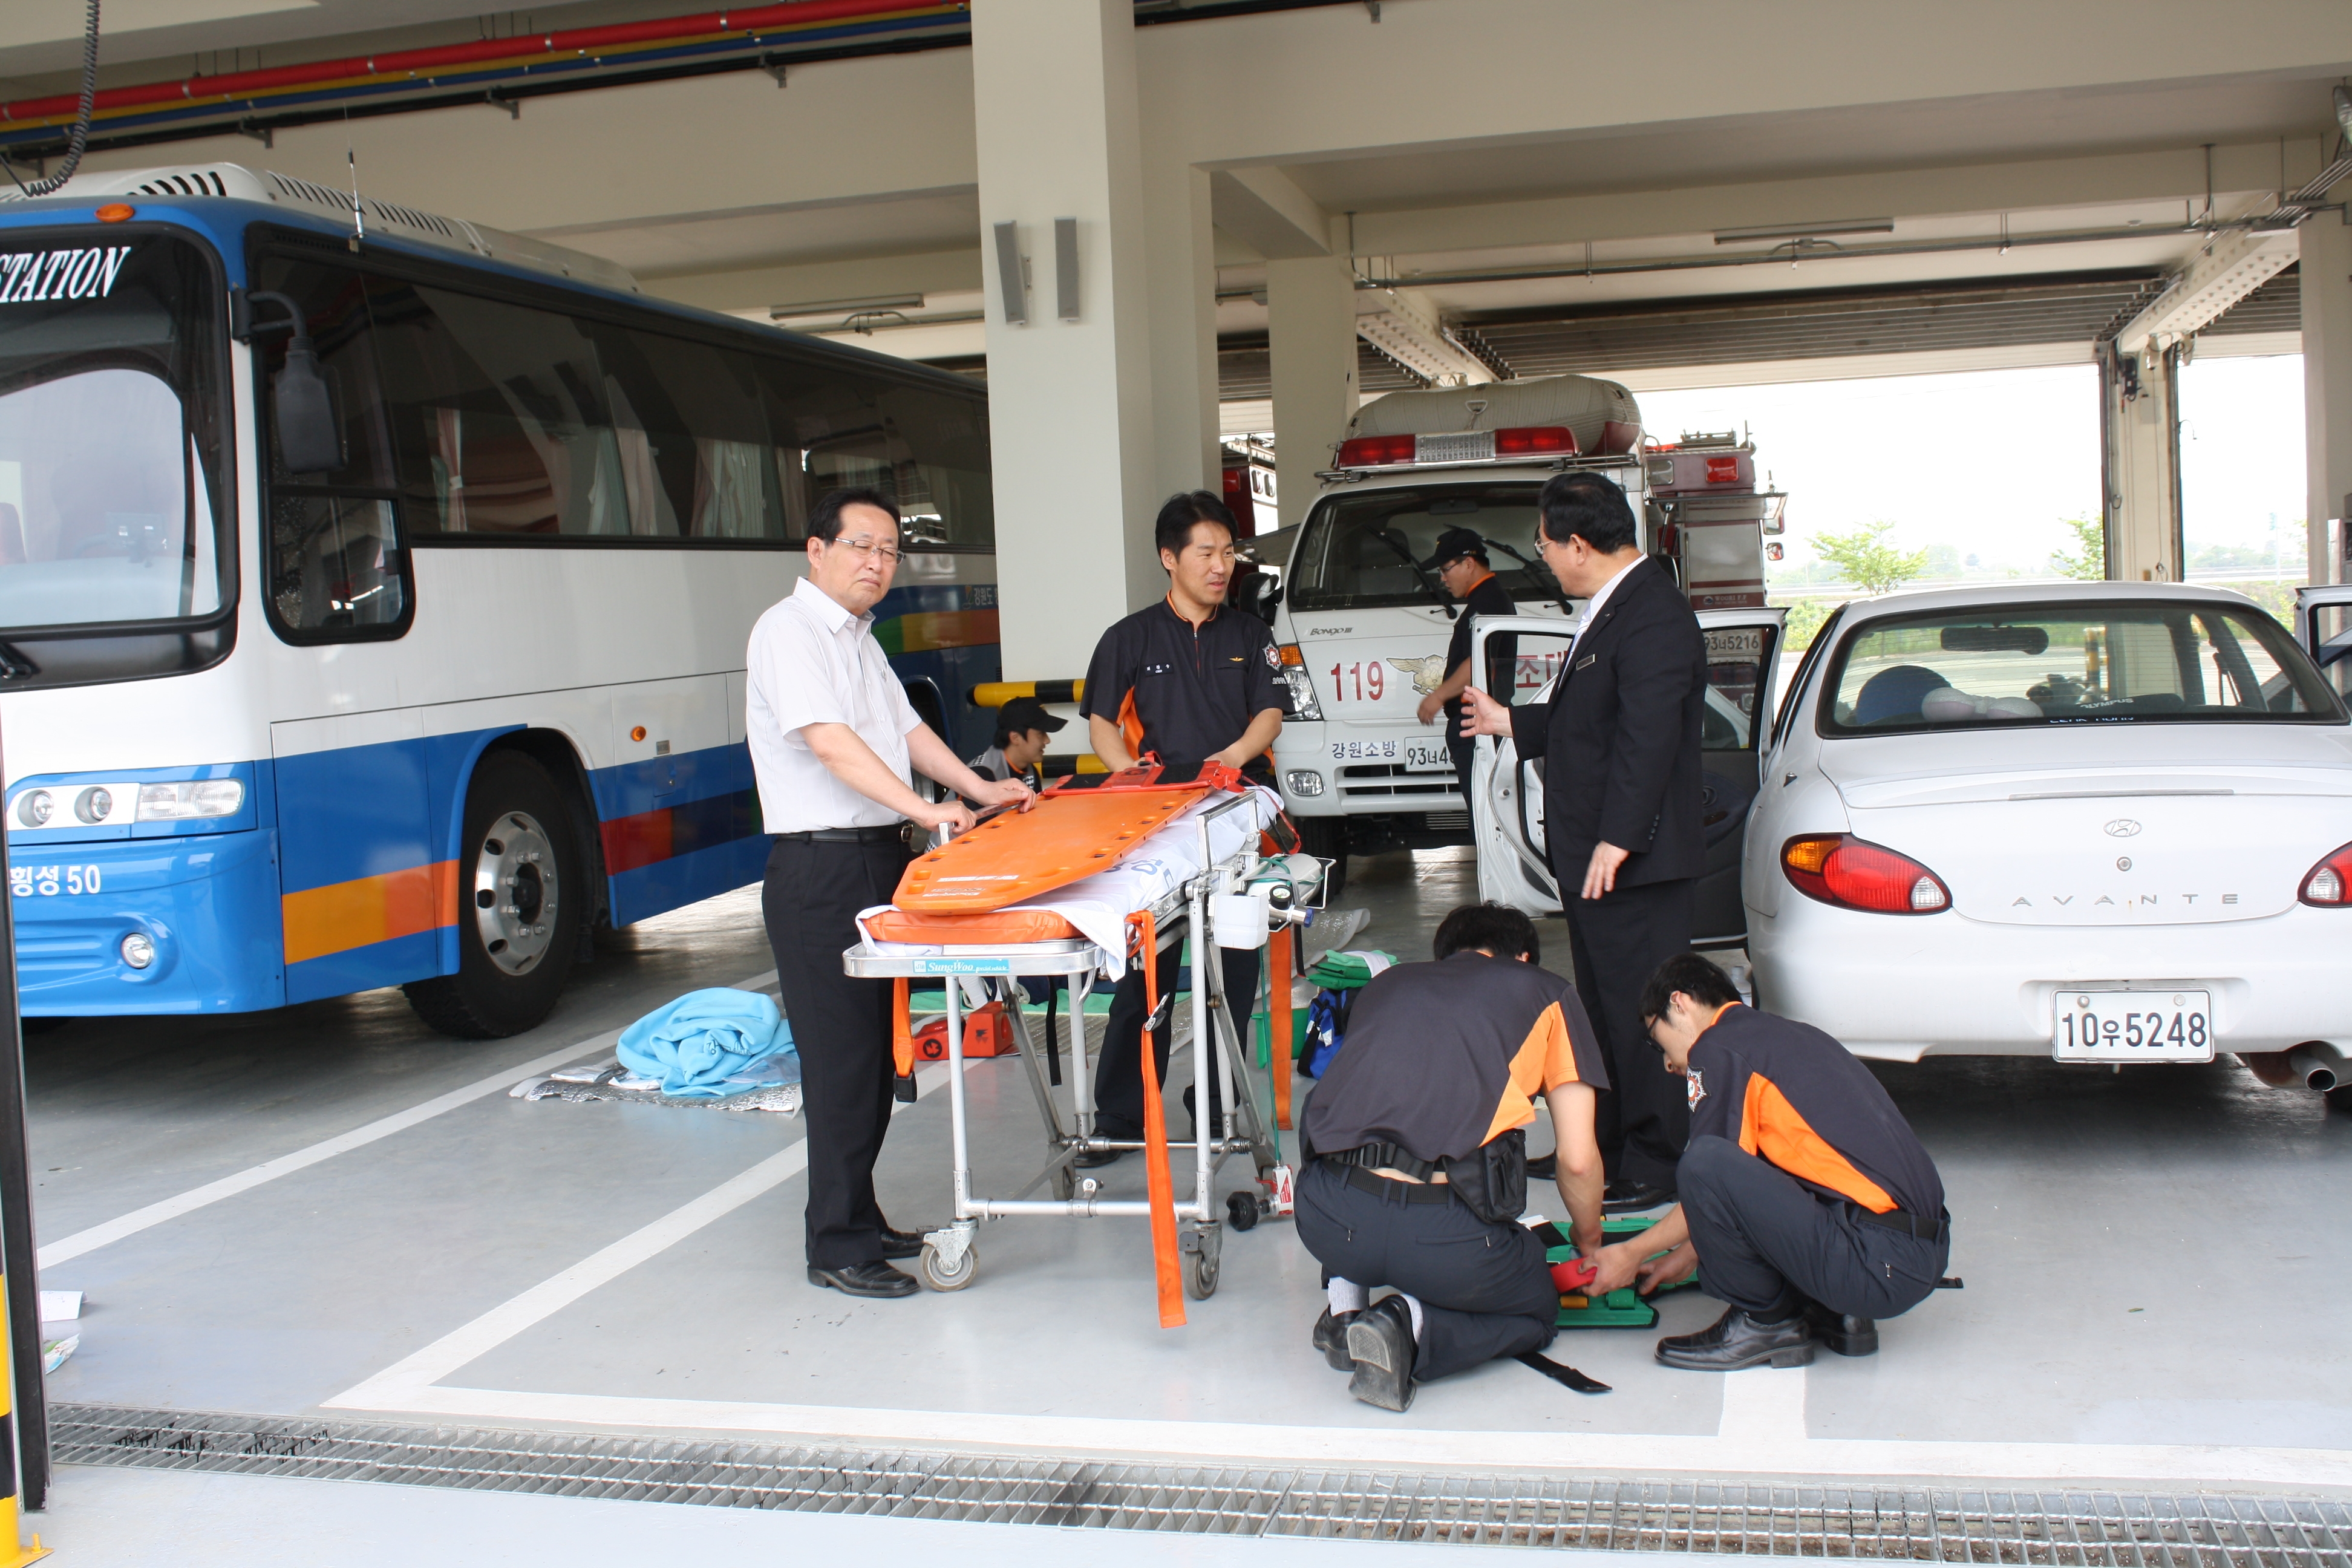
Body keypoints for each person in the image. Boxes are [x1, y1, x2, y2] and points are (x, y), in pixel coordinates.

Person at [746, 486, 1036, 1299]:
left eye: (889, 551)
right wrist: (922, 808)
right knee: (840, 1064)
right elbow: (830, 744)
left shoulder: (861, 640)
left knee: (876, 1061)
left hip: (877, 865)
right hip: (818, 872)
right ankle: (834, 1244)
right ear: (817, 551)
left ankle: (860, 1216)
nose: (877, 563)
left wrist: (978, 790)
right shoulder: (788, 631)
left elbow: (907, 732)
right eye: (861, 546)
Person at [1459, 471, 1707, 1214]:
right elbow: (1589, 716)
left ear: (1577, 544)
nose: (1542, 556)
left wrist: (1618, 838)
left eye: (1544, 543)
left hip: (1632, 863)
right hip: (1597, 860)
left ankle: (1657, 1159)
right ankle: (1602, 1144)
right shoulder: (1613, 607)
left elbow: (1646, 738)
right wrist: (1510, 721)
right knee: (1602, 1011)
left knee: (1649, 1014)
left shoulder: (1652, 614)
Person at [1295, 902, 1607, 1411]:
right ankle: (1406, 1325)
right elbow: (1577, 1160)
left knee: (1358, 1137)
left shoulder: (1386, 986)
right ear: (1522, 959)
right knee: (1536, 1308)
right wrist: (1590, 1243)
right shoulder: (1547, 993)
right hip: (1445, 1241)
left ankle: (1344, 1311)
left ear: (1445, 956)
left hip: (1325, 1217)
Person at [1581, 953, 1950, 1370]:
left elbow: (1714, 1176)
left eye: (1655, 1039)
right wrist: (1689, 1253)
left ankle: (1766, 1323)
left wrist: (1630, 1254)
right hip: (1916, 1254)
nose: (1667, 1061)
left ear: (1679, 1003)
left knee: (1703, 1161)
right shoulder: (1792, 1037)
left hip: (1872, 1265)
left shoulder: (1718, 1048)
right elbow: (1763, 1183)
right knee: (1768, 1160)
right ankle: (1839, 1314)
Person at [1075, 491, 1285, 1166]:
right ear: (1169, 558)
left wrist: (1233, 758)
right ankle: (1121, 1116)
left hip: (1234, 816)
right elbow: (1102, 722)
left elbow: (1271, 713)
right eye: (1206, 553)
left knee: (1235, 971)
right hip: (1158, 825)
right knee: (1147, 973)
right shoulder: (1129, 637)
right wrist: (1128, 776)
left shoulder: (1251, 634)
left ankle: (1217, 1104)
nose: (1221, 566)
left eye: (1228, 552)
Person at [1411, 525, 1520, 813]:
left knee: (1487, 815)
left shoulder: (1489, 602)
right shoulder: (1485, 600)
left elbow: (1479, 663)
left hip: (1479, 725)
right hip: (1478, 724)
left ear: (1469, 563)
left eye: (1446, 569)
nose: (1443, 578)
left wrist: (1437, 697)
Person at [965, 694, 1062, 799]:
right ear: (1015, 738)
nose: (1047, 740)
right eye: (1040, 734)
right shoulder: (980, 775)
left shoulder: (1030, 770)